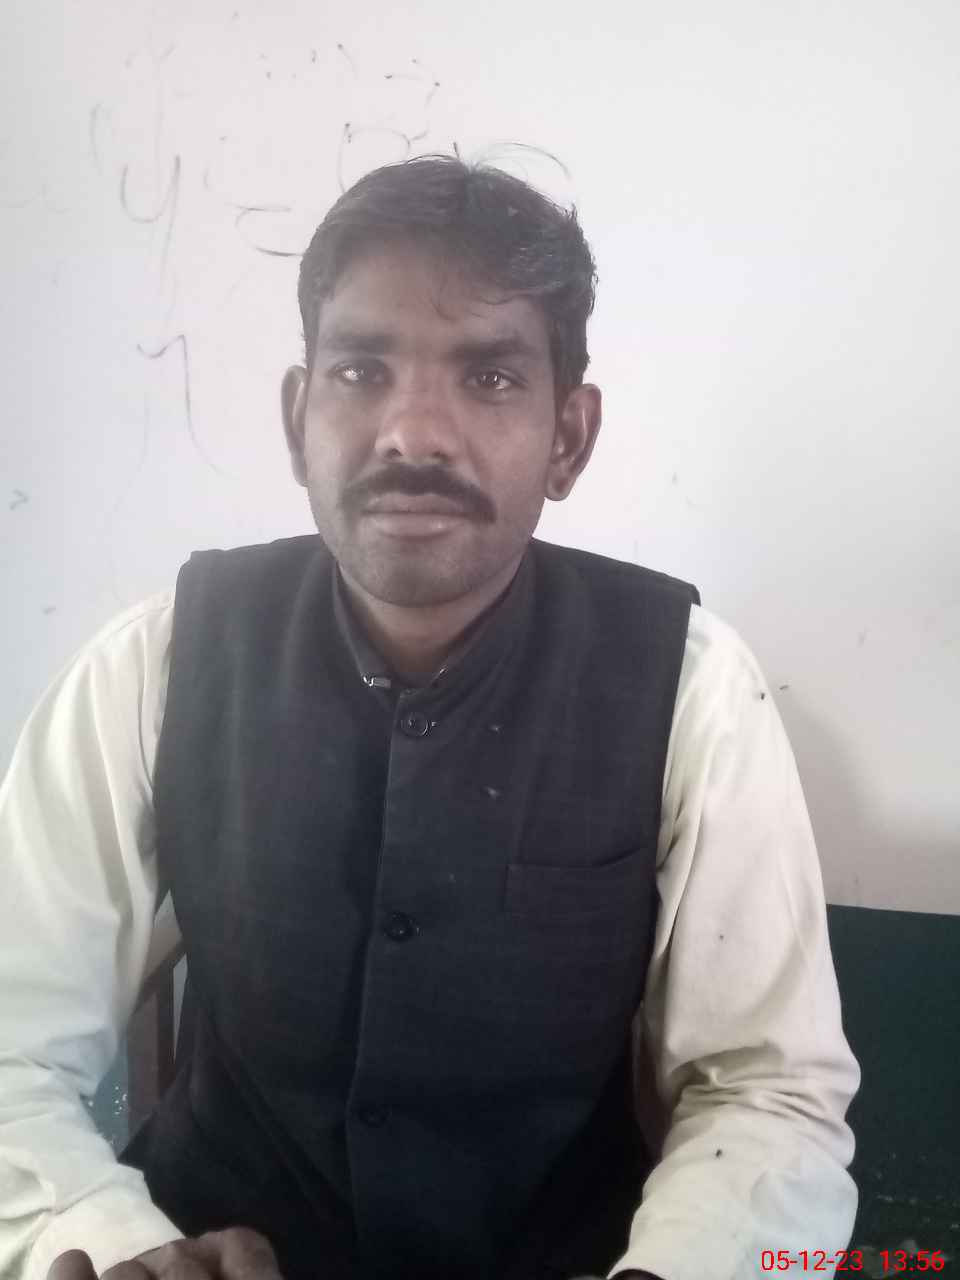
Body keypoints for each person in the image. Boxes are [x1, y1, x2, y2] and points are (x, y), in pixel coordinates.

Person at [0, 152, 860, 1280]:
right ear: (298, 417)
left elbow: (766, 1090)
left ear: (569, 437)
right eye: (361, 369)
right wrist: (114, 1242)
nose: (413, 433)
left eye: (490, 377)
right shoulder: (158, 662)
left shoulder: (690, 687)